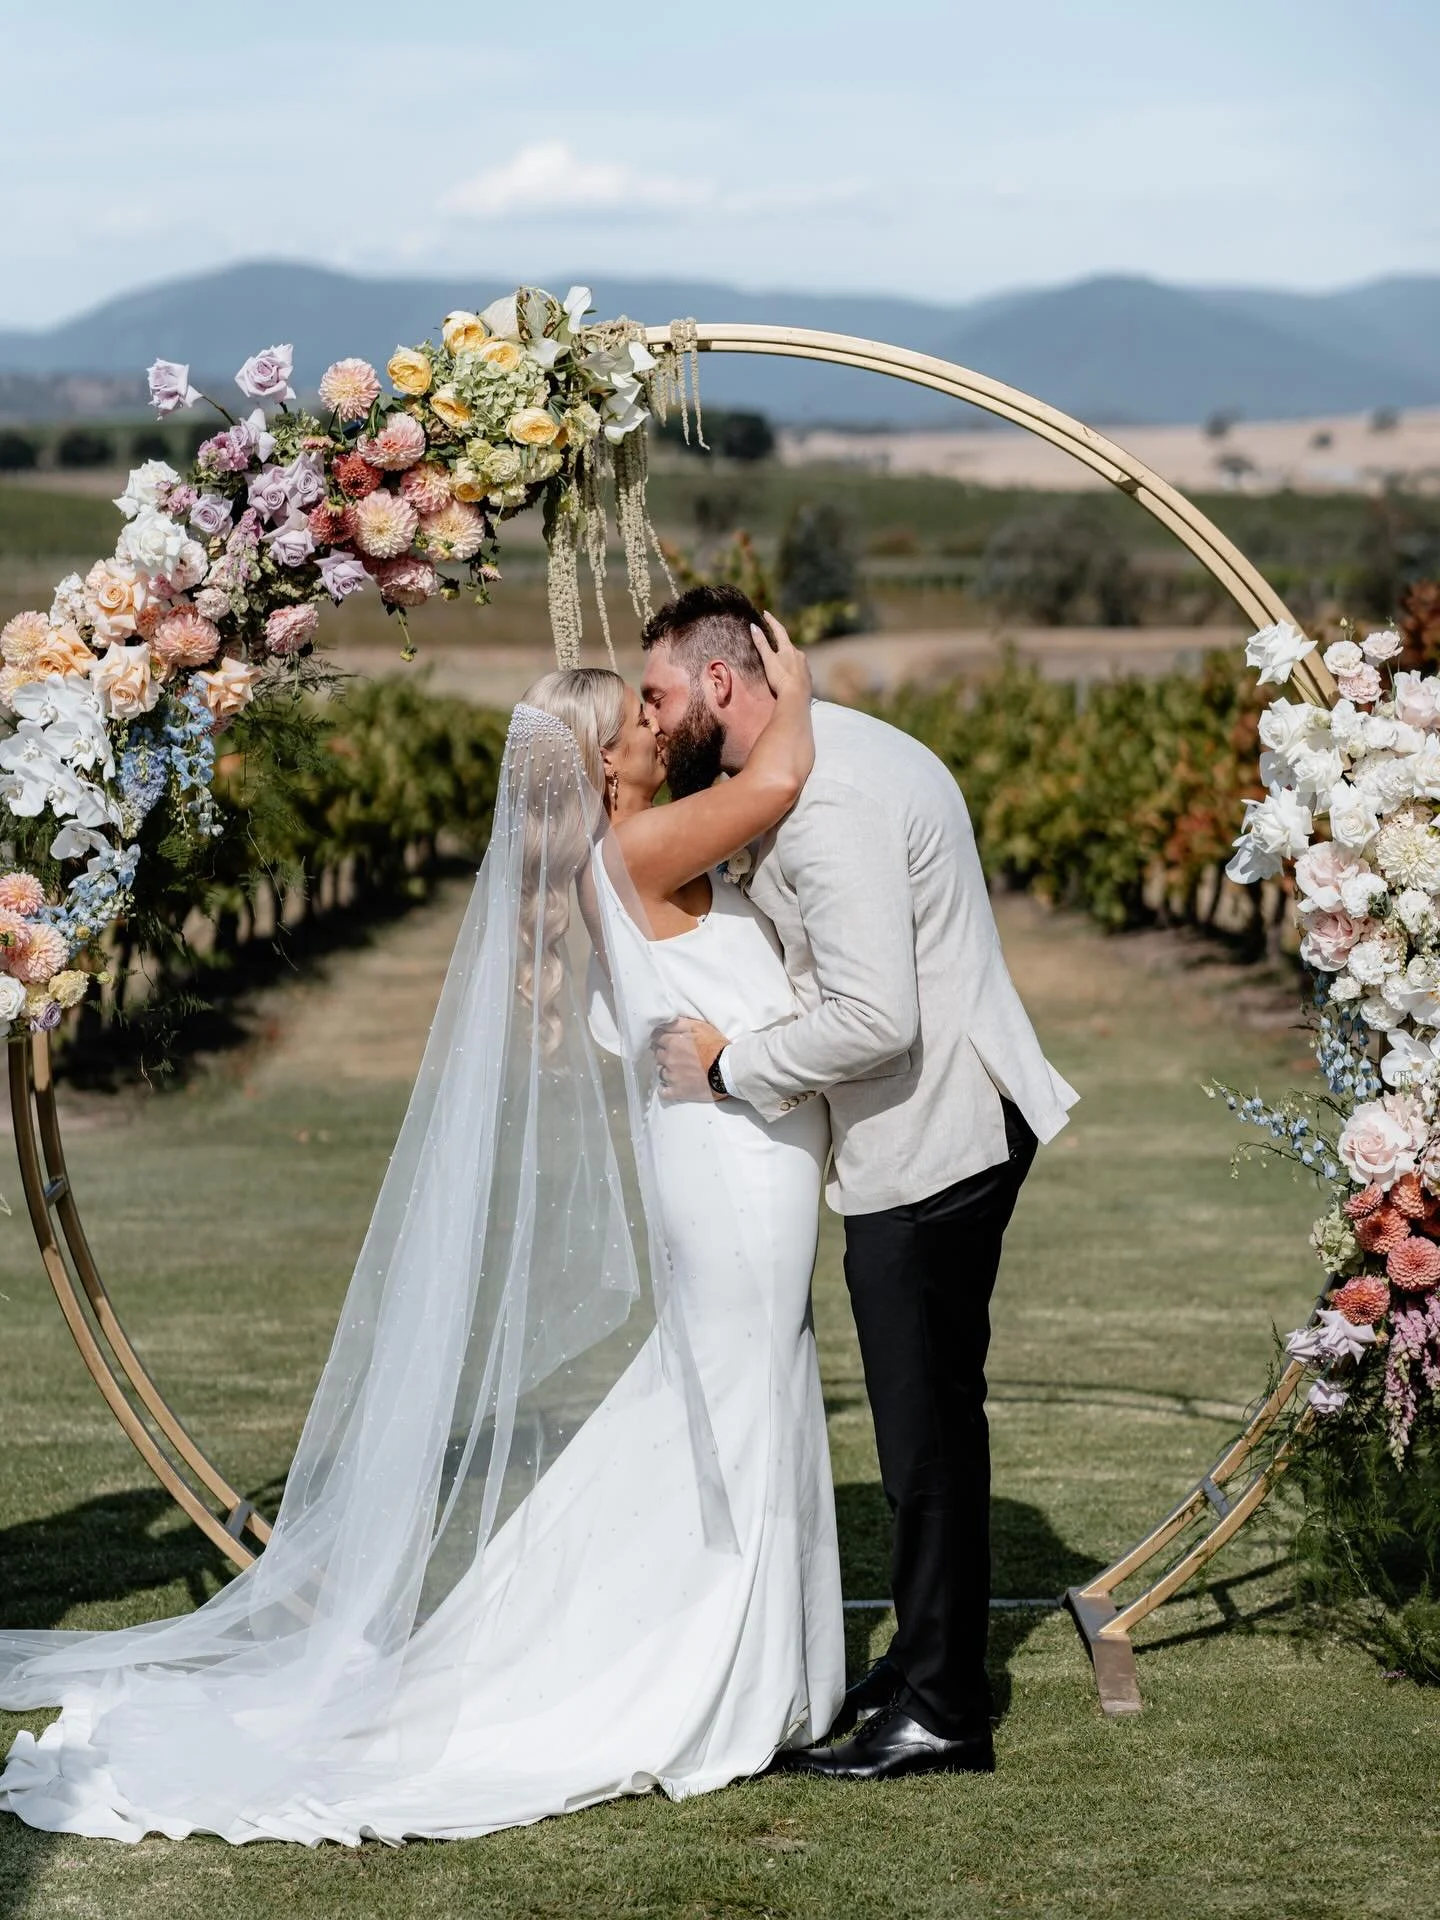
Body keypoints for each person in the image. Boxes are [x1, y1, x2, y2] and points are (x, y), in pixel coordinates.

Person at [0, 620, 847, 1845]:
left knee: (734, 1399)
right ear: (605, 765)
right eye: (640, 721)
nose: (664, 728)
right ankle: (711, 1676)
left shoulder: (627, 850)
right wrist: (802, 691)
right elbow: (777, 776)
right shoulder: (639, 851)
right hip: (726, 1171)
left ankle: (747, 1662)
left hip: (739, 1158)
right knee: (740, 1396)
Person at [649, 583, 1078, 1781]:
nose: (650, 713)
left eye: (657, 692)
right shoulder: (814, 759)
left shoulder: (825, 792)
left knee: (925, 1433)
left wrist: (736, 1067)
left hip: (932, 1137)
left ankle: (944, 1709)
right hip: (937, 1123)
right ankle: (922, 1661)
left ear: (722, 683)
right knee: (923, 1419)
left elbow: (875, 1019)